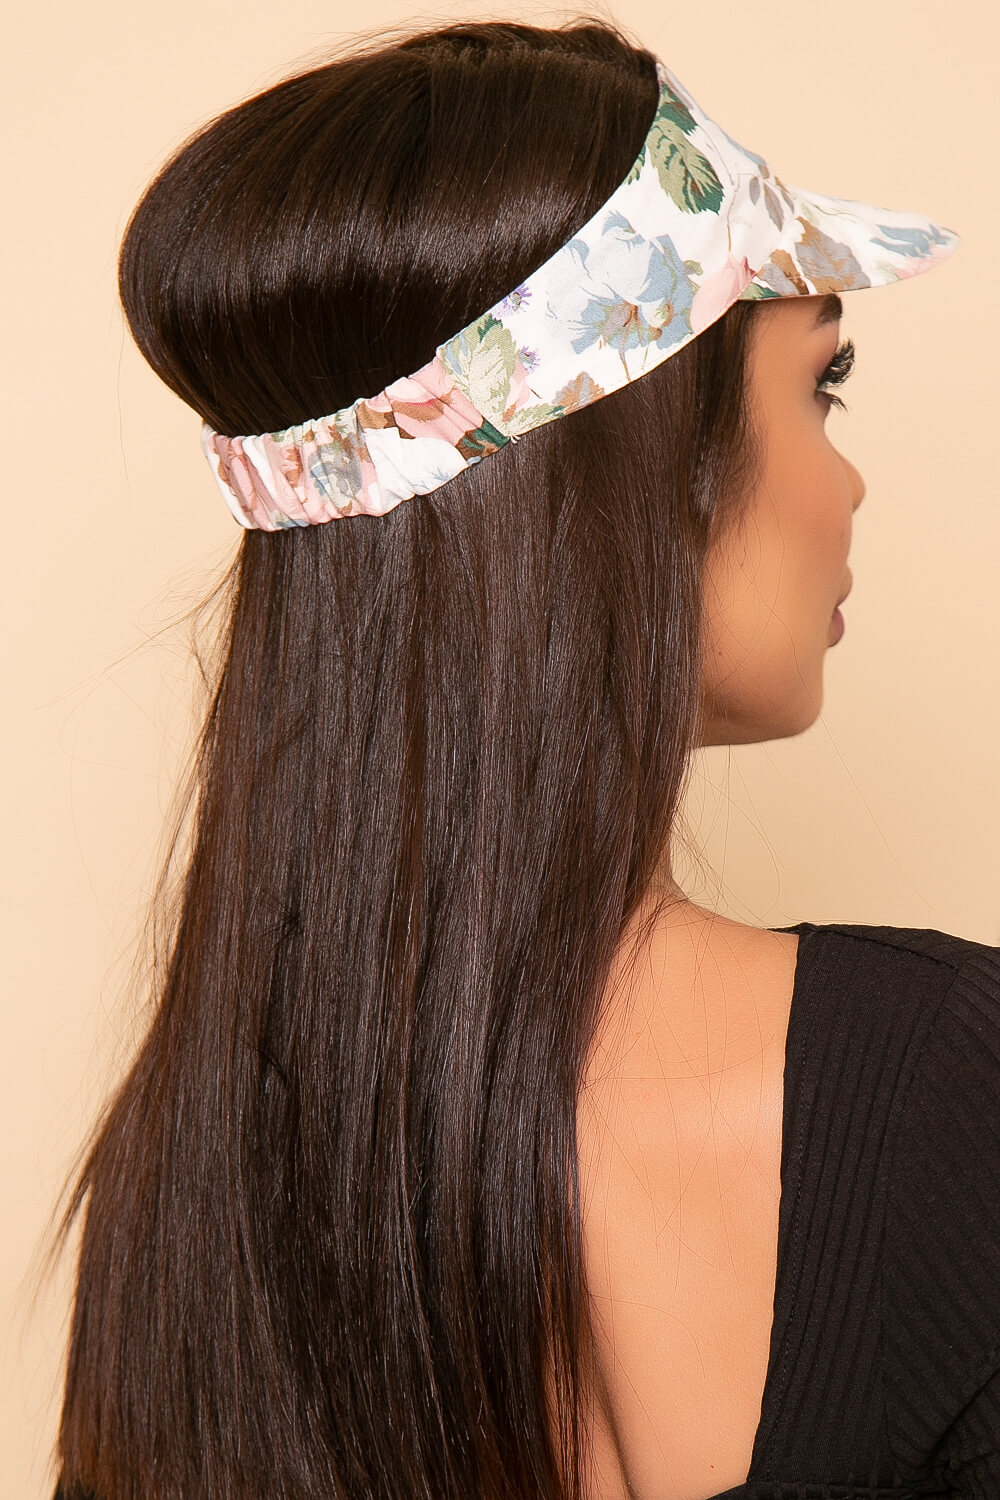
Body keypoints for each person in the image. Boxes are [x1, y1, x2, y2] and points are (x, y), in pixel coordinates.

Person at [48, 16, 999, 1500]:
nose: (851, 479)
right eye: (823, 383)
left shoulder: (180, 1199)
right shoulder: (949, 1083)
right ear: (647, 465)